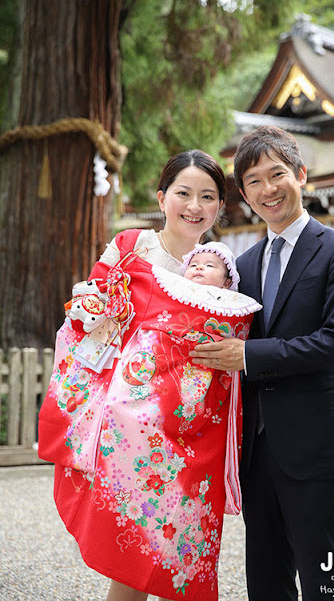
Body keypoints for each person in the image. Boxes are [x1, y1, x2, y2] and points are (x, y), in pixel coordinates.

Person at [38, 149, 261, 601]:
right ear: (162, 199)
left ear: (220, 207)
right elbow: (92, 314)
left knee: (181, 538)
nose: (194, 206)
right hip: (131, 421)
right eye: (184, 193)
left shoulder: (223, 271)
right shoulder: (130, 247)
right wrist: (93, 310)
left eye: (208, 197)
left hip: (193, 425)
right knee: (134, 541)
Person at [189, 126, 334, 601]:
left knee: (325, 581)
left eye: (277, 175)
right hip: (255, 450)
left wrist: (248, 356)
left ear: (301, 175)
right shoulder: (242, 266)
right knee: (265, 581)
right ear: (245, 194)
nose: (267, 190)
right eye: (253, 181)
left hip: (314, 447)